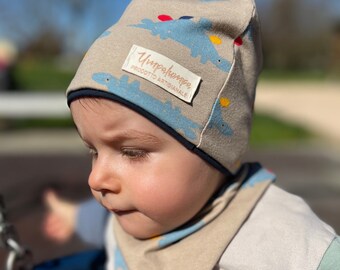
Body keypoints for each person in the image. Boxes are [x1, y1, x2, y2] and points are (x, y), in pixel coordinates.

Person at [44, 0, 340, 269]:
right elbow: (99, 222)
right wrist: (69, 215)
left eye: (132, 152)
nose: (95, 179)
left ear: (213, 151)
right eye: (93, 151)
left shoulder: (287, 244)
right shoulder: (131, 214)